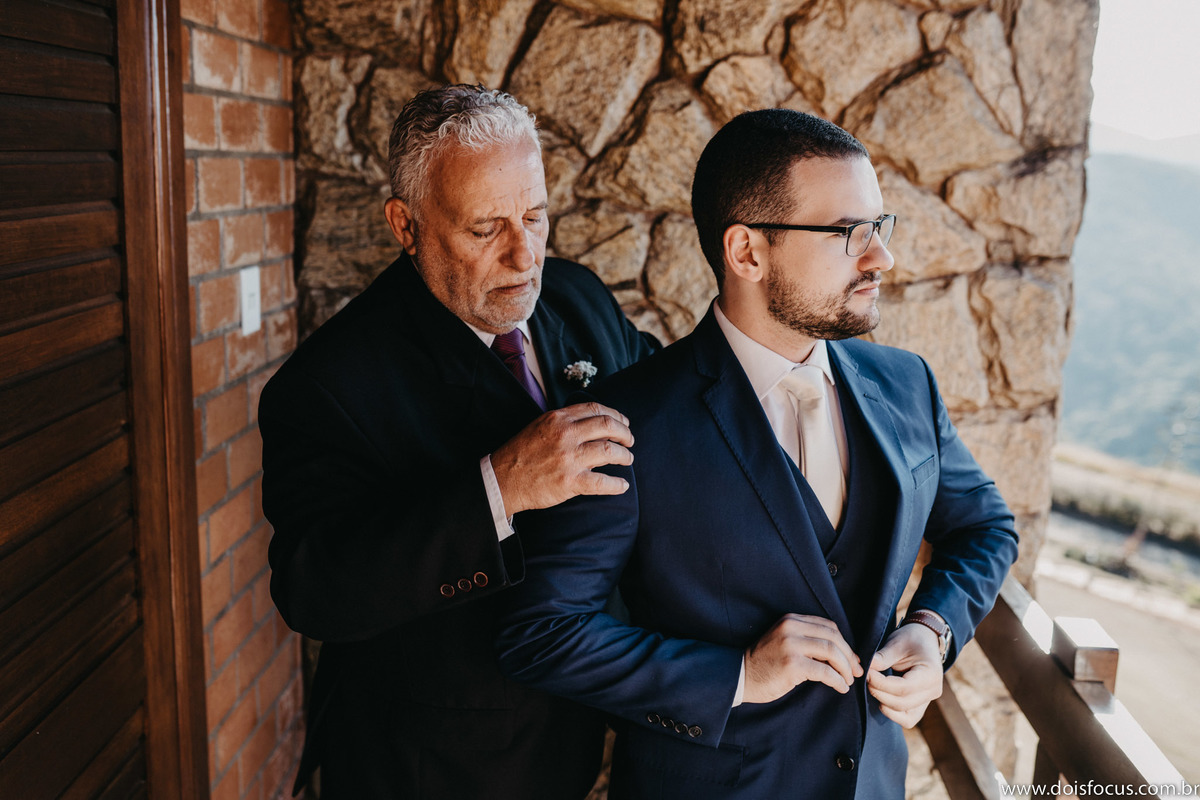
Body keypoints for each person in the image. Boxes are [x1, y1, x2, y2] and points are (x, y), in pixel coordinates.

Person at [496, 109, 1020, 799]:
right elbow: (543, 634)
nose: (880, 258)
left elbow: (986, 527)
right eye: (846, 234)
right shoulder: (628, 421)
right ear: (746, 253)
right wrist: (738, 674)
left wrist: (933, 627)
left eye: (878, 227)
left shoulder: (907, 385)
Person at [259, 84, 659, 799]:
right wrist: (499, 489)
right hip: (434, 766)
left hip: (589, 729)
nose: (523, 254)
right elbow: (313, 589)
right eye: (486, 229)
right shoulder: (324, 385)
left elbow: (672, 403)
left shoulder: (577, 295)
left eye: (535, 216)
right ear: (406, 225)